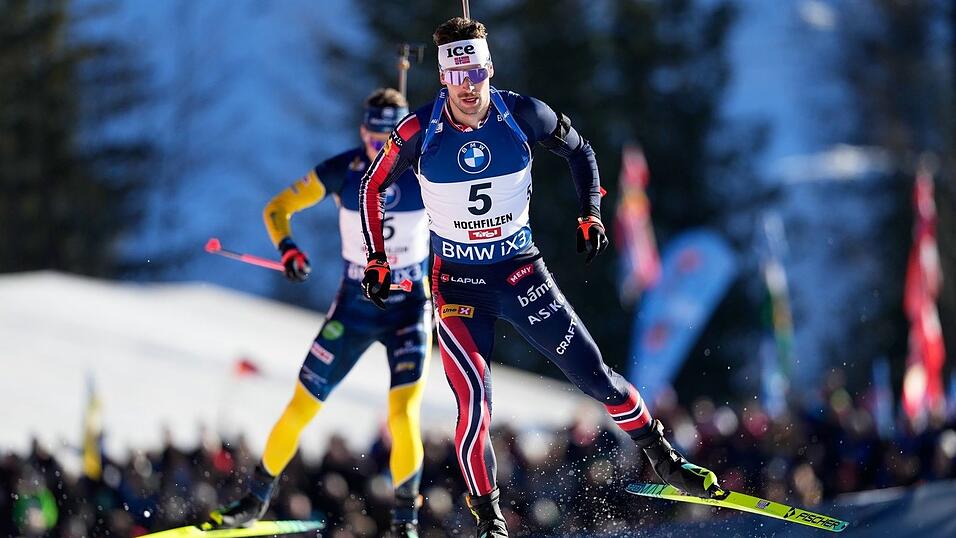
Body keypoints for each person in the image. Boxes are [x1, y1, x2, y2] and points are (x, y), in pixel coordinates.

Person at [358, 18, 721, 537]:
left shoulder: (522, 112)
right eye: (458, 76)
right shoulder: (419, 131)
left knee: (597, 377)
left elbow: (581, 151)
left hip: (520, 273)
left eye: (477, 74)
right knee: (474, 407)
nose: (468, 87)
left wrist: (590, 213)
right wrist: (377, 258)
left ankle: (664, 457)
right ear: (443, 77)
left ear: (489, 70)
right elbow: (373, 185)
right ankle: (490, 520)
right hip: (457, 288)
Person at [206, 88, 432, 538]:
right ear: (362, 132)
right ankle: (255, 499)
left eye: (390, 141)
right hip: (355, 304)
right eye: (373, 140)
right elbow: (277, 208)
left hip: (409, 305)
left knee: (403, 411)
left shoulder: (429, 167)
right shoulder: (344, 170)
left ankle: (404, 523)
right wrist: (287, 249)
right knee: (300, 406)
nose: (380, 151)